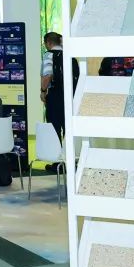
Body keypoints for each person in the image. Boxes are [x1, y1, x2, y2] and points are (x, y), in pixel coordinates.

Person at [41, 32, 80, 172]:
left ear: (48, 43)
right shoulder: (71, 57)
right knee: (69, 129)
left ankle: (57, 163)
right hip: (71, 98)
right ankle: (70, 160)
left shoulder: (49, 55)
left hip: (55, 97)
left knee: (55, 129)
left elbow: (47, 76)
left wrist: (43, 91)